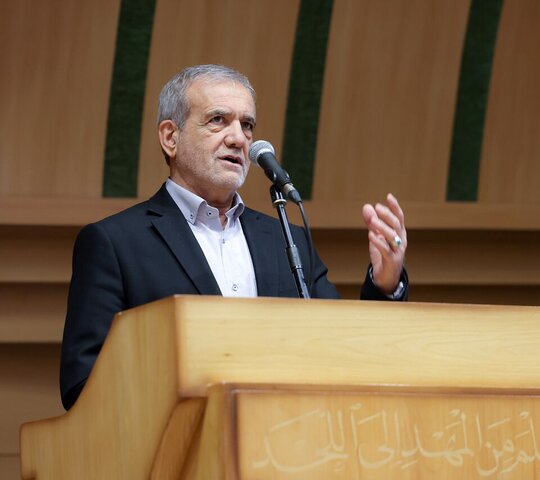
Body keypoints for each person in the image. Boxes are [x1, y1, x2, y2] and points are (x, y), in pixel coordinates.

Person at [59, 64, 408, 410]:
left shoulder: (287, 240)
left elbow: (345, 351)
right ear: (170, 137)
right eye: (218, 120)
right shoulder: (115, 243)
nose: (238, 138)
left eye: (247, 125)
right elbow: (83, 384)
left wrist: (385, 286)